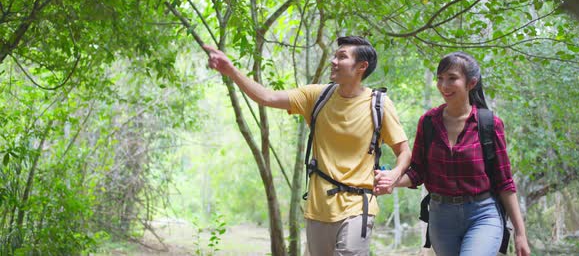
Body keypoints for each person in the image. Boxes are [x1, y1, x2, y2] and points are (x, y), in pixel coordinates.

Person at [205, 36, 411, 255]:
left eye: (342, 57)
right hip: (318, 207)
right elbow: (267, 97)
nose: (333, 61)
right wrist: (231, 70)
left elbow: (403, 151)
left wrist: (395, 174)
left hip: (358, 206)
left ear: (362, 66)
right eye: (334, 55)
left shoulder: (378, 104)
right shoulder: (316, 96)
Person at [375, 52, 531, 256]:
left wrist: (520, 233)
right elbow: (418, 173)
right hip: (441, 217)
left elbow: (504, 183)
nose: (443, 86)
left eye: (452, 78)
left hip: (483, 214)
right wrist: (391, 181)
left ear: (471, 83)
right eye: (440, 78)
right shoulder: (428, 122)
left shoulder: (489, 124)